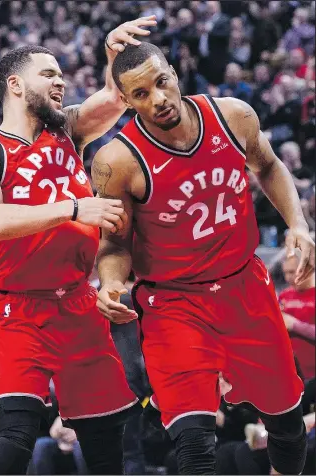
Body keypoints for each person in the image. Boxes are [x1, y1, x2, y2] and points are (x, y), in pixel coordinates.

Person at [92, 42, 315, 475]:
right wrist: (111, 284)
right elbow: (114, 246)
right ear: (126, 100)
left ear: (175, 73)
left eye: (161, 83)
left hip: (244, 287)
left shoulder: (233, 115)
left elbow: (268, 166)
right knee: (193, 442)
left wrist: (299, 223)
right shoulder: (116, 161)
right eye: (140, 94)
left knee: (287, 423)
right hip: (173, 304)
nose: (157, 99)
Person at [0, 16, 157, 475]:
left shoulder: (67, 131)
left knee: (108, 448)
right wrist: (73, 209)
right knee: (15, 441)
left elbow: (114, 98)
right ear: (15, 83)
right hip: (20, 310)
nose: (60, 80)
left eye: (62, 73)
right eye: (48, 73)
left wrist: (114, 56)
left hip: (80, 306)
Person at [279, 253, 315, 379]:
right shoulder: (284, 296)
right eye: (286, 273)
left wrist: (294, 325)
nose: (288, 278)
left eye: (293, 272)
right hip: (291, 374)